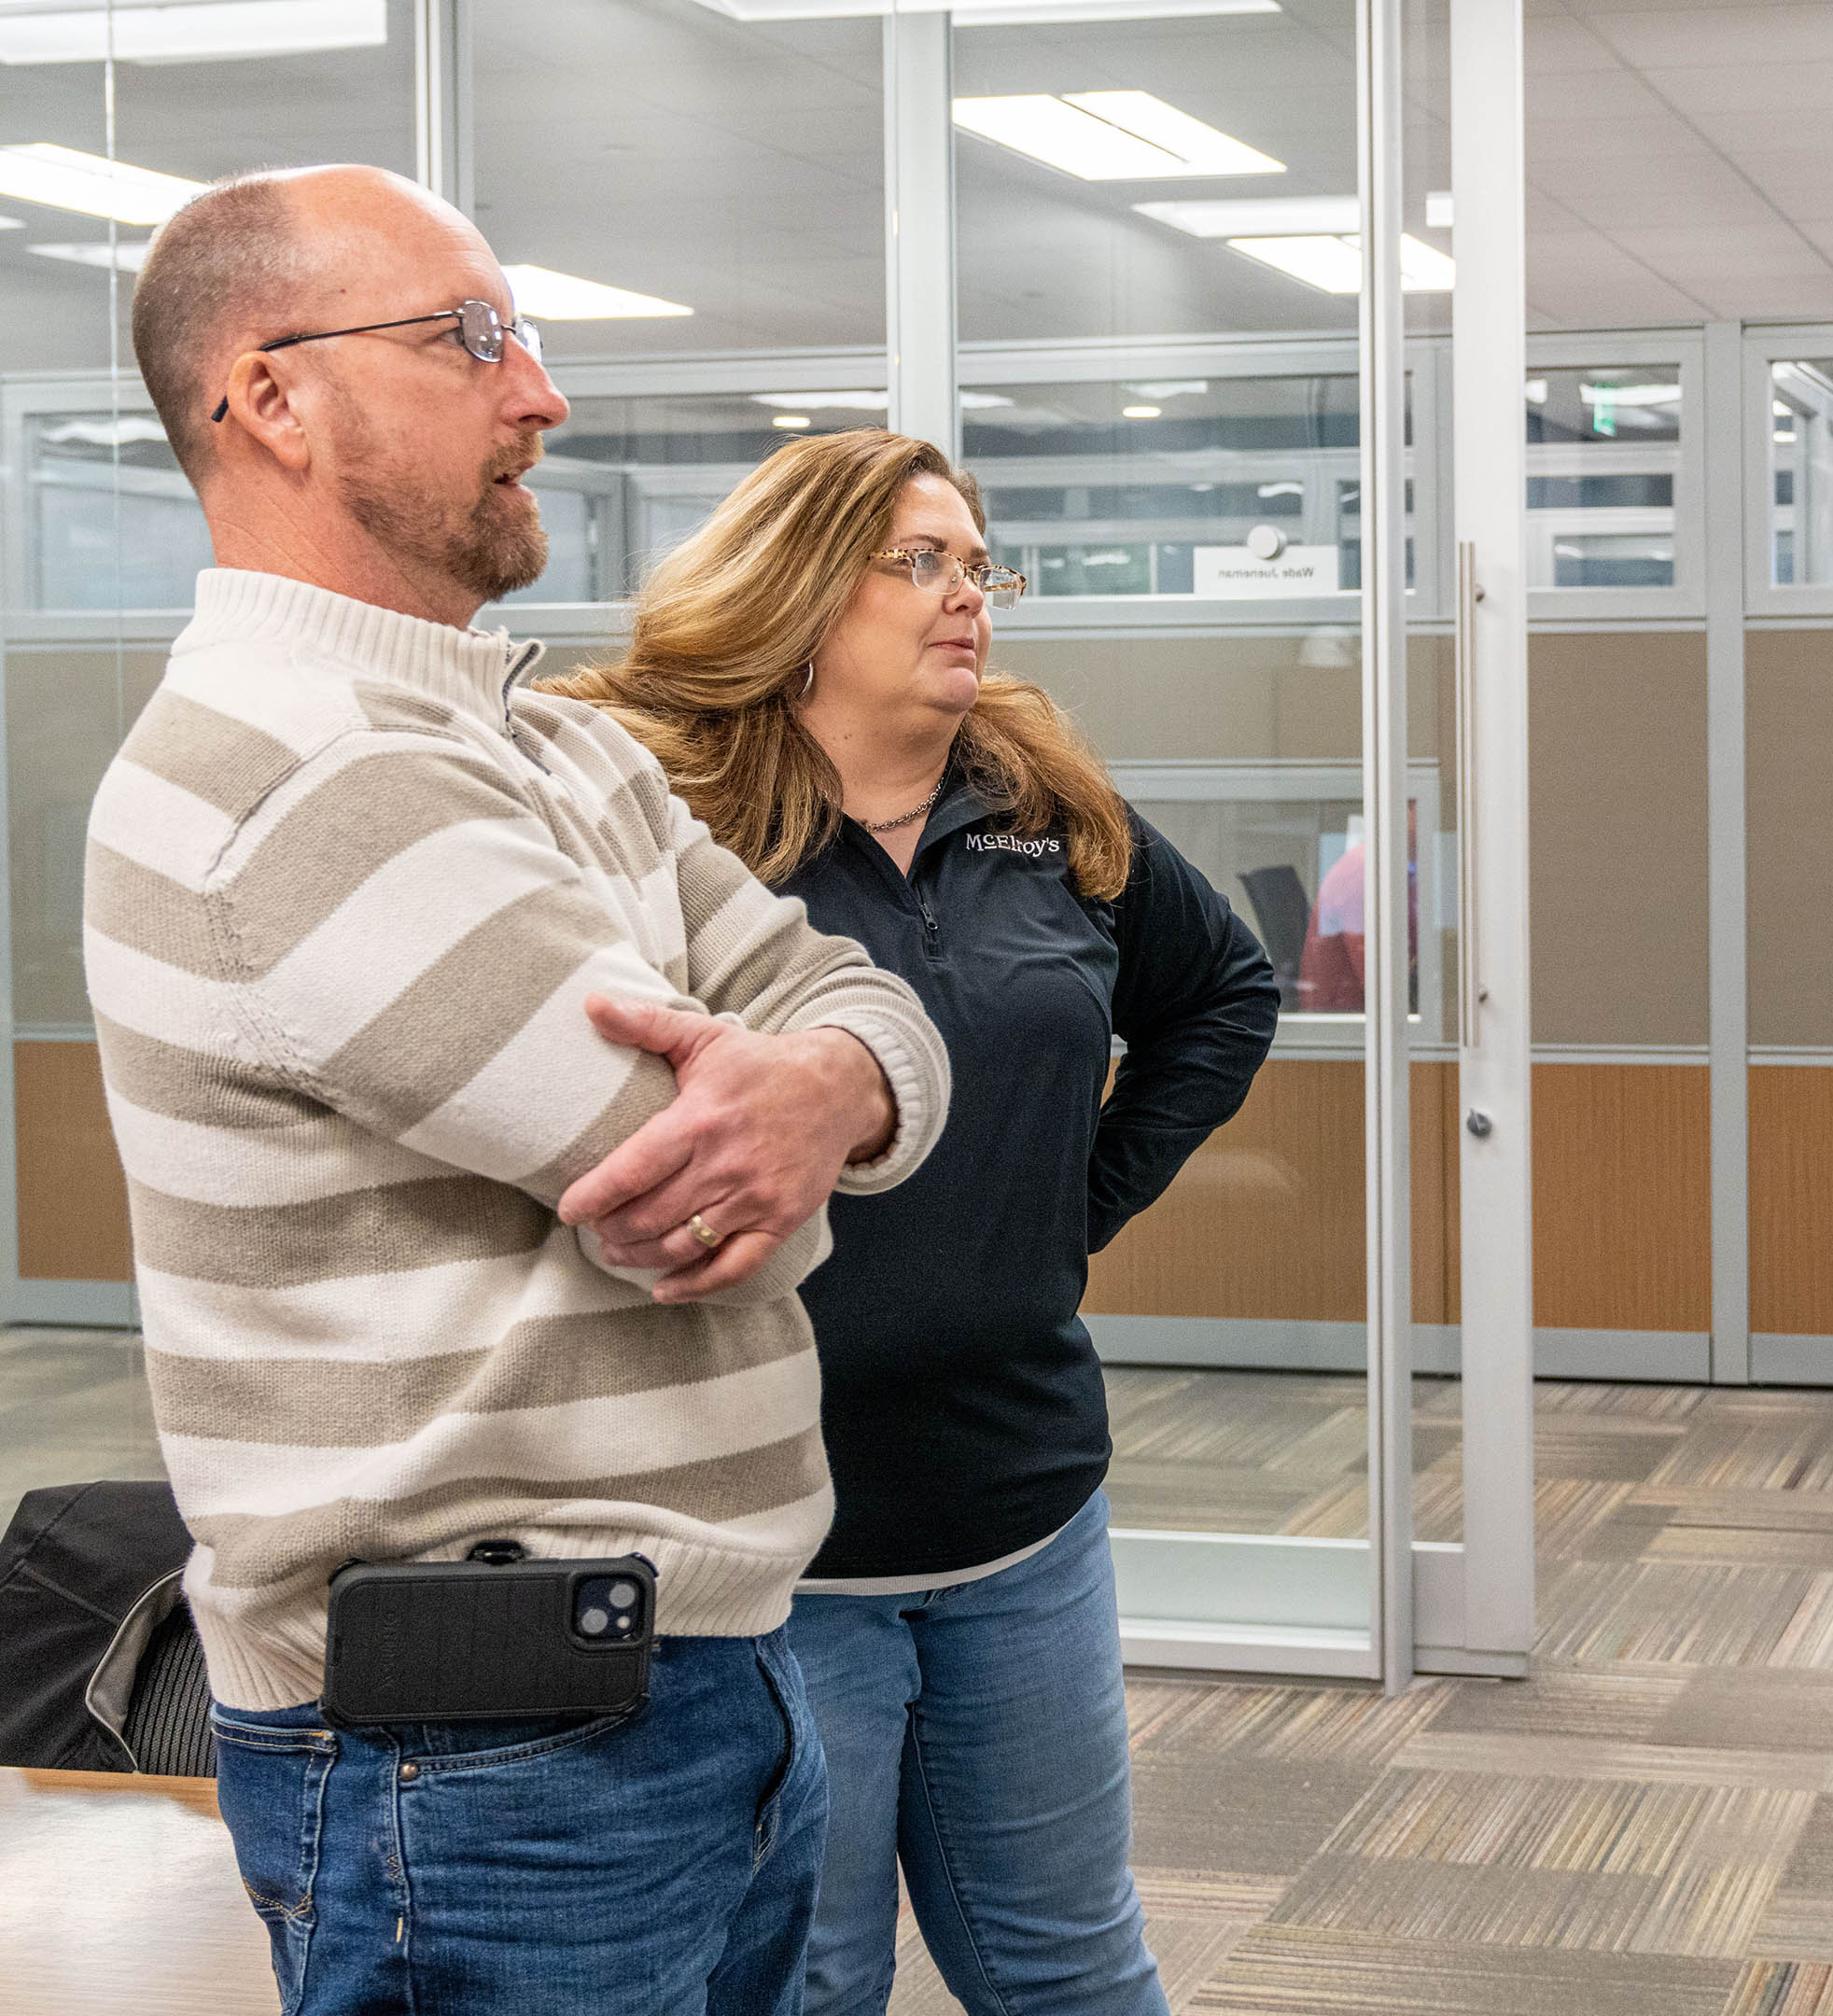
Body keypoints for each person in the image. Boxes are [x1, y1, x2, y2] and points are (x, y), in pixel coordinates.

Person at [89, 167, 954, 2014]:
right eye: (472, 338)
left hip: (698, 1671)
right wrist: (817, 1117)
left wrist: (826, 1082)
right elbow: (698, 1198)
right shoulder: (290, 773)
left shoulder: (546, 741)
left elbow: (857, 1003)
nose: (540, 394)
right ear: (270, 396)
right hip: (480, 1754)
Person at [551, 428, 1277, 2016]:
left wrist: (1067, 1209)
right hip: (772, 1545)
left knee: (1073, 1965)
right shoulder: (667, 825)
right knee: (810, 1980)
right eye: (924, 563)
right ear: (805, 590)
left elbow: (1221, 992)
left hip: (1022, 1506)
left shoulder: (1040, 805)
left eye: (981, 565)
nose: (973, 600)